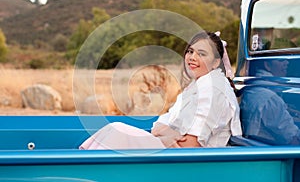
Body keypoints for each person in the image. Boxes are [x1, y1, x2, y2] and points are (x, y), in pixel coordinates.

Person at [79, 31, 242, 150]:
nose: (192, 57)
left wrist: (169, 135)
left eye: (202, 54)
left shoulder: (214, 91)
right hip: (170, 151)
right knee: (115, 128)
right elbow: (158, 125)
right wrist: (170, 133)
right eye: (190, 51)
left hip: (187, 163)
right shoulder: (196, 87)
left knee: (118, 132)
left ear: (215, 62)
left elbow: (192, 144)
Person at [240, 59, 300, 145]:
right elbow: (293, 138)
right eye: (281, 60)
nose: (286, 62)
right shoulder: (270, 98)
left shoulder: (251, 89)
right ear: (267, 65)